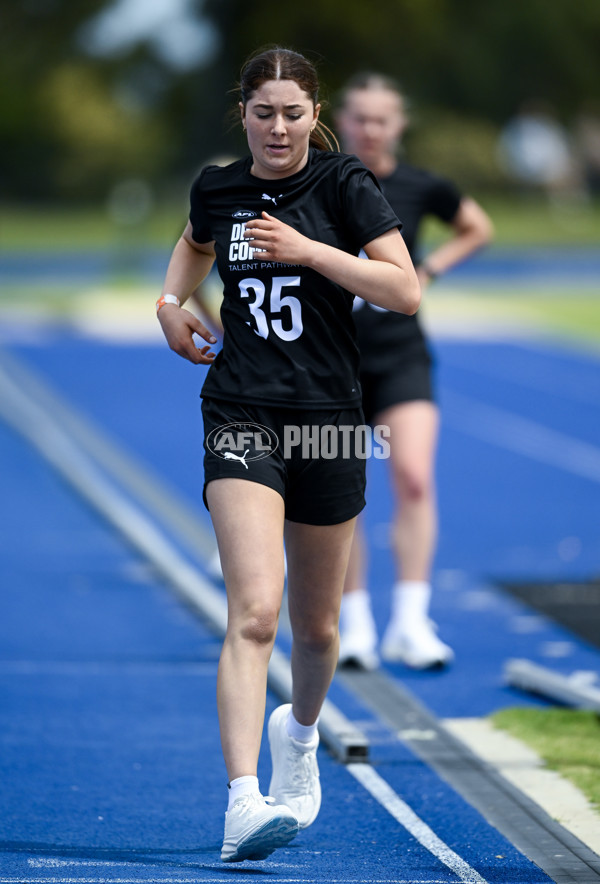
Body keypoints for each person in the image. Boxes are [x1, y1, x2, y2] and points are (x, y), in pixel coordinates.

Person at [156, 49, 420, 863]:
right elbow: (195, 245)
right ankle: (242, 802)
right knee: (256, 612)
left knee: (318, 628)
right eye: (263, 112)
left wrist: (309, 252)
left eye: (293, 114)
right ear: (243, 112)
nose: (278, 128)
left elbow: (403, 290)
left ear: (315, 114)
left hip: (330, 420)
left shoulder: (344, 188)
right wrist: (171, 304)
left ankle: (298, 739)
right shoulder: (219, 186)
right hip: (241, 410)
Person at [335, 73, 493, 671]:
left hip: (402, 354)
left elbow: (478, 226)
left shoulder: (423, 185)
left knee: (415, 479)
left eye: (383, 119)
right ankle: (354, 625)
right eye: (360, 118)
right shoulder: (319, 179)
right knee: (345, 491)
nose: (370, 129)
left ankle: (410, 620)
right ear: (341, 119)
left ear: (399, 125)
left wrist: (428, 271)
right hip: (336, 363)